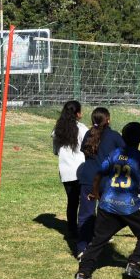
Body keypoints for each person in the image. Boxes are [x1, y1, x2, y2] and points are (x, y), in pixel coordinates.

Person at [74, 122, 140, 279]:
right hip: (129, 205)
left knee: (98, 240)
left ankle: (83, 273)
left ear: (123, 138)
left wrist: (95, 192)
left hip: (107, 204)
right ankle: (134, 263)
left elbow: (98, 175)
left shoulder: (114, 154)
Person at [76, 107, 126, 259]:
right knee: (108, 213)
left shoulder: (88, 134)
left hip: (88, 178)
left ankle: (82, 248)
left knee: (86, 214)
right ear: (108, 119)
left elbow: (84, 152)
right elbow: (125, 154)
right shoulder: (114, 136)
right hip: (106, 180)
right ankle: (101, 243)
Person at [52, 100, 89, 240]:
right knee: (86, 201)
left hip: (66, 171)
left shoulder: (57, 130)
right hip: (81, 170)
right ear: (78, 114)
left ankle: (72, 230)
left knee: (72, 202)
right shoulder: (82, 128)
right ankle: (86, 229)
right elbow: (87, 147)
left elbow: (55, 151)